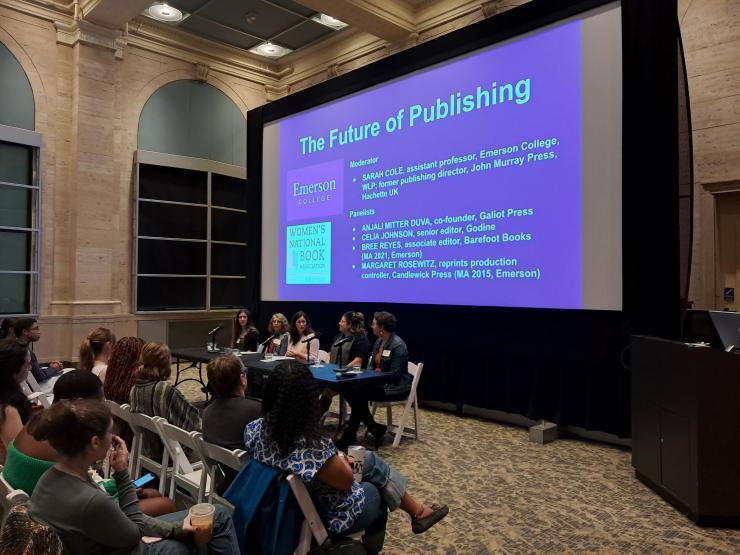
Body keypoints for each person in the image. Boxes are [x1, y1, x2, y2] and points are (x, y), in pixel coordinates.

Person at [243, 361, 448, 555]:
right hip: (326, 516)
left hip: (283, 505)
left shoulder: (253, 430)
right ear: (307, 399)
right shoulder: (312, 447)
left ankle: (419, 511)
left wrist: (337, 458)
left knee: (367, 459)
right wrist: (339, 459)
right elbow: (346, 481)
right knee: (376, 489)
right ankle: (373, 548)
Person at [28, 399, 240, 554]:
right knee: (212, 522)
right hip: (121, 547)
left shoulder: (50, 478)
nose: (112, 437)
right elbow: (135, 530)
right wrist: (121, 472)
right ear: (94, 442)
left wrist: (176, 529)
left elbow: (123, 520)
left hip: (106, 543)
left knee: (210, 520)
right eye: (109, 432)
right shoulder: (89, 500)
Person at [3, 370, 175, 517]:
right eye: (100, 401)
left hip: (49, 507)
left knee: (149, 492)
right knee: (166, 504)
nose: (103, 406)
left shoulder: (38, 422)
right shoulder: (65, 438)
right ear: (79, 402)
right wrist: (122, 480)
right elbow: (91, 499)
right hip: (68, 517)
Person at [337, 312, 412, 449]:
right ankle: (374, 428)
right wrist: (367, 375)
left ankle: (351, 435)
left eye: (373, 324)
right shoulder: (379, 341)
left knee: (359, 394)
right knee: (351, 389)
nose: (371, 326)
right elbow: (371, 365)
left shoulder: (398, 345)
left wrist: (372, 378)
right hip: (378, 383)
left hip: (395, 387)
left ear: (381, 327)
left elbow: (394, 374)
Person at [129, 342, 201, 461]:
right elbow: (193, 419)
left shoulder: (134, 389)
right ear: (164, 364)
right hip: (171, 453)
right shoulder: (164, 390)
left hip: (150, 450)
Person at [202, 354, 260, 493]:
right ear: (242, 379)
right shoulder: (257, 411)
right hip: (253, 487)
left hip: (226, 484)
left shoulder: (207, 412)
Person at [319, 311, 372, 415]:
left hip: (351, 378)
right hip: (334, 375)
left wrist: (340, 371)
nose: (339, 323)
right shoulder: (339, 337)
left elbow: (358, 361)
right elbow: (330, 352)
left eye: (342, 321)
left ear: (349, 325)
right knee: (314, 386)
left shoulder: (361, 339)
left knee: (328, 391)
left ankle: (311, 422)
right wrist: (328, 364)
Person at [0, 340, 33, 464]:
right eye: (27, 365)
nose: (30, 368)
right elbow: (19, 457)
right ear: (14, 370)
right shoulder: (8, 410)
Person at [14, 317, 62, 383]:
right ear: (25, 331)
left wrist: (50, 368)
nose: (39, 332)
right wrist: (54, 368)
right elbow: (39, 377)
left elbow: (36, 372)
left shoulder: (15, 346)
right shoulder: (24, 351)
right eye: (35, 329)